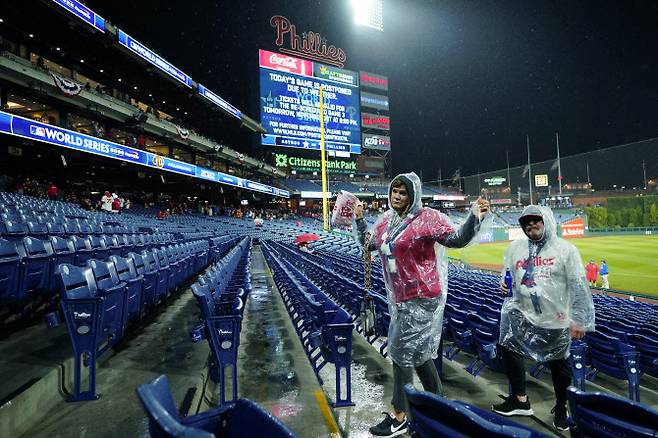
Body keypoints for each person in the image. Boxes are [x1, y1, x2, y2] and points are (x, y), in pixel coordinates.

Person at [356, 172, 490, 437]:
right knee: (417, 355)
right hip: (401, 298)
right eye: (394, 191)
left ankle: (400, 415)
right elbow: (367, 244)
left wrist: (475, 216)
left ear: (413, 195)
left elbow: (456, 239)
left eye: (403, 192)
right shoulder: (387, 221)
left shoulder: (427, 217)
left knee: (400, 352)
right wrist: (360, 220)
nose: (397, 196)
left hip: (423, 297)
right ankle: (438, 403)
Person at [492, 205, 595, 432]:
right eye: (526, 222)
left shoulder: (565, 249)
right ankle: (520, 400)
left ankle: (561, 406)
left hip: (555, 319)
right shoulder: (516, 248)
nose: (531, 225)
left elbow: (579, 287)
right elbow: (507, 273)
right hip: (521, 315)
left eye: (535, 220)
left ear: (546, 221)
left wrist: (579, 320)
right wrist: (502, 283)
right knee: (509, 348)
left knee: (559, 366)